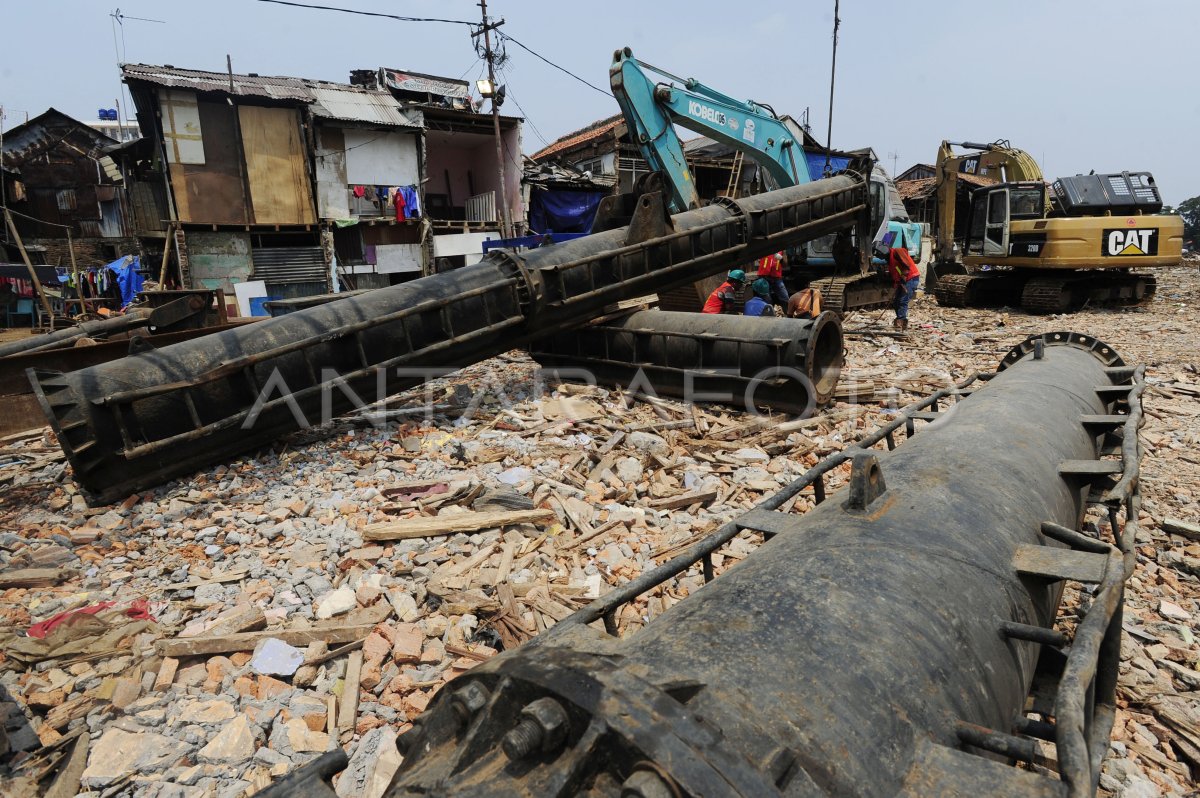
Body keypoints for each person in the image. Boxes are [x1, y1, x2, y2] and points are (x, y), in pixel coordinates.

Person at [888, 244, 920, 331]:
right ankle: (901, 320)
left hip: (911, 278)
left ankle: (901, 322)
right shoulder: (890, 259)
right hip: (903, 281)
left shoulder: (897, 251)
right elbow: (897, 271)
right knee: (896, 302)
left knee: (902, 301)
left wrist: (904, 276)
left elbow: (906, 265)